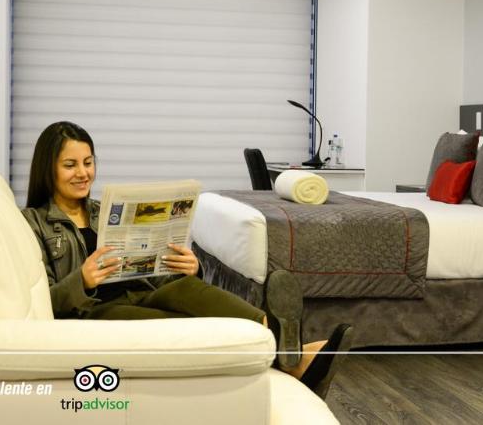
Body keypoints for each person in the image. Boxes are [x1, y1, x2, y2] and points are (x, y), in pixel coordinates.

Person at [21, 121, 352, 398]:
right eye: (70, 165)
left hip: (142, 289)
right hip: (95, 309)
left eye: (88, 162)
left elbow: (154, 268)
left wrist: (190, 267)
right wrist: (82, 280)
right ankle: (295, 358)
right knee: (183, 322)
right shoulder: (33, 223)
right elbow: (42, 301)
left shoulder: (103, 210)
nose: (83, 173)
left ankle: (282, 341)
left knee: (189, 290)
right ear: (48, 169)